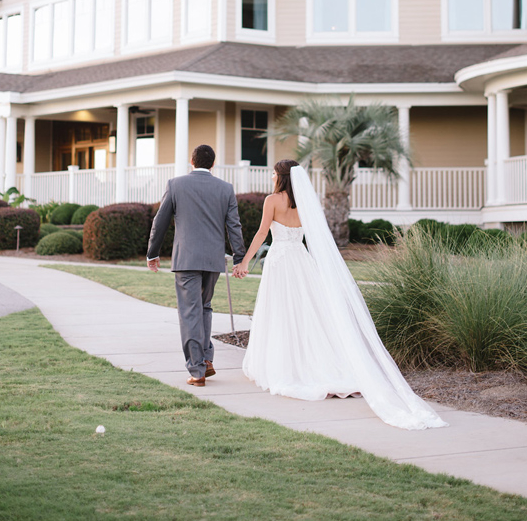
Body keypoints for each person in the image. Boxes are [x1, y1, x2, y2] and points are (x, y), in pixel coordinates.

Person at [233, 160, 447, 430]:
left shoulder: (272, 201)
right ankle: (323, 365)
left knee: (281, 312)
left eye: (274, 174)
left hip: (280, 263)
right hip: (301, 261)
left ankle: (288, 366)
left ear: (281, 177)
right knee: (308, 314)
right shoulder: (306, 203)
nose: (272, 177)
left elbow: (263, 233)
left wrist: (243, 263)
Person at [147, 144, 246, 387]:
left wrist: (152, 252)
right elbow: (234, 226)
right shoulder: (226, 189)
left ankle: (197, 370)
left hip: (187, 260)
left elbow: (160, 222)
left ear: (192, 162)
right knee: (204, 307)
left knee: (190, 311)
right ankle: (206, 359)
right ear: (213, 164)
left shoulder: (176, 184)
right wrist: (239, 257)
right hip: (213, 260)